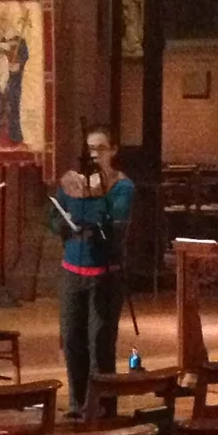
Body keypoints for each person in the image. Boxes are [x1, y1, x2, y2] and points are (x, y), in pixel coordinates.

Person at [53, 122, 138, 419]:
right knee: (73, 340)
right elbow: (54, 218)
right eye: (90, 149)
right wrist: (62, 221)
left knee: (100, 342)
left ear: (113, 151)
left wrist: (94, 196)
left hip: (105, 273)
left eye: (101, 149)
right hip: (72, 272)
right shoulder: (72, 183)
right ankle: (77, 404)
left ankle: (103, 407)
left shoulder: (122, 186)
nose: (95, 154)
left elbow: (114, 224)